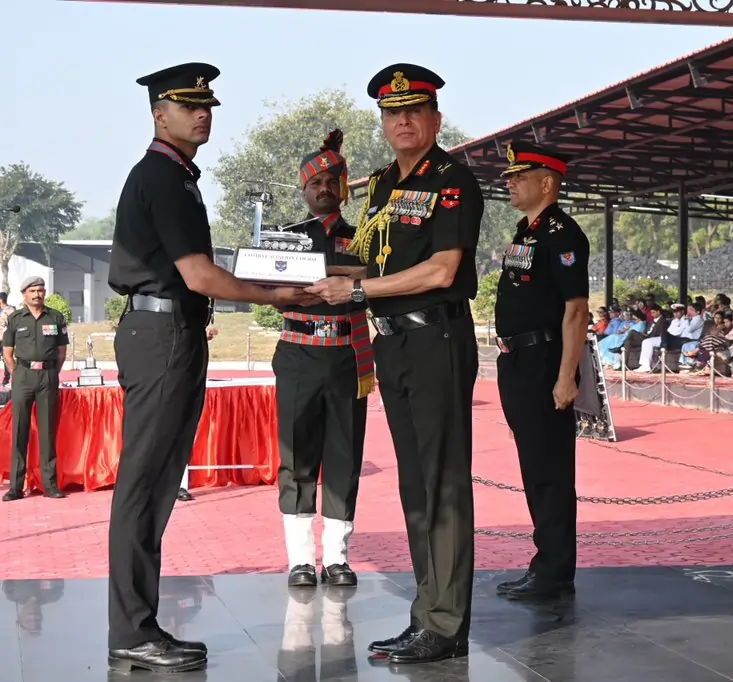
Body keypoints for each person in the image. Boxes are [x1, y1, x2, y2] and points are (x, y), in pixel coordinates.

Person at [106, 62, 315, 674]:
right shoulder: (163, 178)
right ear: (158, 113)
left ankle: (137, 625)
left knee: (157, 479)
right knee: (145, 483)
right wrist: (279, 295)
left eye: (209, 106)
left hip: (170, 328)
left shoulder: (175, 177)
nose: (203, 114)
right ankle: (131, 629)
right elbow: (199, 275)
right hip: (162, 330)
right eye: (189, 105)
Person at [307, 62, 483, 665]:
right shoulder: (382, 185)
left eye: (414, 110)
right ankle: (427, 614)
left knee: (444, 482)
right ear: (381, 123)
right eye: (391, 112)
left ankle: (445, 619)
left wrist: (353, 294)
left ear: (434, 118)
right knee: (415, 483)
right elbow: (367, 267)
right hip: (393, 343)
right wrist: (295, 274)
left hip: (437, 339)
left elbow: (441, 271)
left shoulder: (453, 180)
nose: (402, 120)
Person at [491, 142, 589, 601]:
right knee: (534, 466)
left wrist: (566, 375)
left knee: (549, 470)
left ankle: (554, 570)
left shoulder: (562, 234)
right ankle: (545, 561)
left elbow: (575, 311)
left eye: (519, 175)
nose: (510, 182)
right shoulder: (525, 231)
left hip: (544, 361)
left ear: (546, 183)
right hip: (516, 362)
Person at [276, 129, 373, 589]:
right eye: (316, 182)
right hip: (297, 356)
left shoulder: (365, 238)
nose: (324, 188)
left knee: (344, 456)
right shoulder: (287, 239)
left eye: (333, 180)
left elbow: (369, 287)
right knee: (296, 456)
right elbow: (270, 291)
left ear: (343, 186)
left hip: (347, 356)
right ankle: (299, 558)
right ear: (304, 188)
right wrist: (335, 288)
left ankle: (335, 557)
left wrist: (319, 289)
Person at [1, 277, 68, 501]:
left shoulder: (56, 317)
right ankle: (16, 488)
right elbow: (8, 352)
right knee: (20, 431)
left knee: (47, 432)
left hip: (47, 376)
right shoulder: (14, 318)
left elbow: (61, 352)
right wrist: (17, 373)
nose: (37, 294)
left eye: (40, 290)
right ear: (24, 294)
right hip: (23, 377)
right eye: (32, 291)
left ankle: (50, 485)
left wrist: (51, 373)